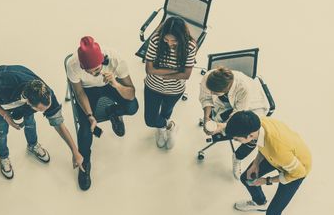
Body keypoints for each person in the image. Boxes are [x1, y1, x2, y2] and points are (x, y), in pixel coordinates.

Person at [226, 111, 312, 215]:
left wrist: (267, 181)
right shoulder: (259, 123)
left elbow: (299, 173)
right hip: (278, 156)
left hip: (295, 170)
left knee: (272, 214)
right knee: (246, 179)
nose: (237, 141)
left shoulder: (278, 150)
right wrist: (256, 163)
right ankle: (259, 202)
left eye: (238, 139)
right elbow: (262, 145)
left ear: (250, 135)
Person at [0, 65, 84, 179]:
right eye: (40, 110)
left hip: (23, 106)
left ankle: (32, 145)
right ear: (28, 102)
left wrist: (75, 151)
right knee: (1, 131)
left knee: (30, 123)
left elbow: (58, 123)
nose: (45, 112)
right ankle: (4, 157)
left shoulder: (47, 95)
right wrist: (5, 115)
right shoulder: (2, 82)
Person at [67, 36, 138, 190]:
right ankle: (84, 162)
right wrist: (90, 116)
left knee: (132, 107)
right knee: (85, 130)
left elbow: (131, 94)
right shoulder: (72, 65)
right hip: (87, 91)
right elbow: (79, 93)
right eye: (89, 71)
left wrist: (116, 84)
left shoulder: (116, 59)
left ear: (103, 61)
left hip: (110, 84)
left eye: (97, 70)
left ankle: (113, 111)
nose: (94, 74)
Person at [199, 67, 270, 178]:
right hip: (229, 104)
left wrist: (220, 127)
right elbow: (206, 98)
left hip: (252, 107)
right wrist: (206, 117)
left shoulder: (243, 89)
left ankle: (238, 158)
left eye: (214, 92)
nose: (211, 93)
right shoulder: (208, 77)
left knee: (251, 138)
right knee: (219, 118)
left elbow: (237, 116)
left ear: (227, 89)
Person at [144, 16, 197, 149]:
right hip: (153, 87)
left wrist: (160, 71)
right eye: (166, 40)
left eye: (174, 41)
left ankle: (161, 128)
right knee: (150, 120)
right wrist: (174, 71)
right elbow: (149, 70)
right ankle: (169, 126)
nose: (169, 43)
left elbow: (186, 75)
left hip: (175, 90)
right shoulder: (156, 40)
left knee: (166, 112)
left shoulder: (190, 46)